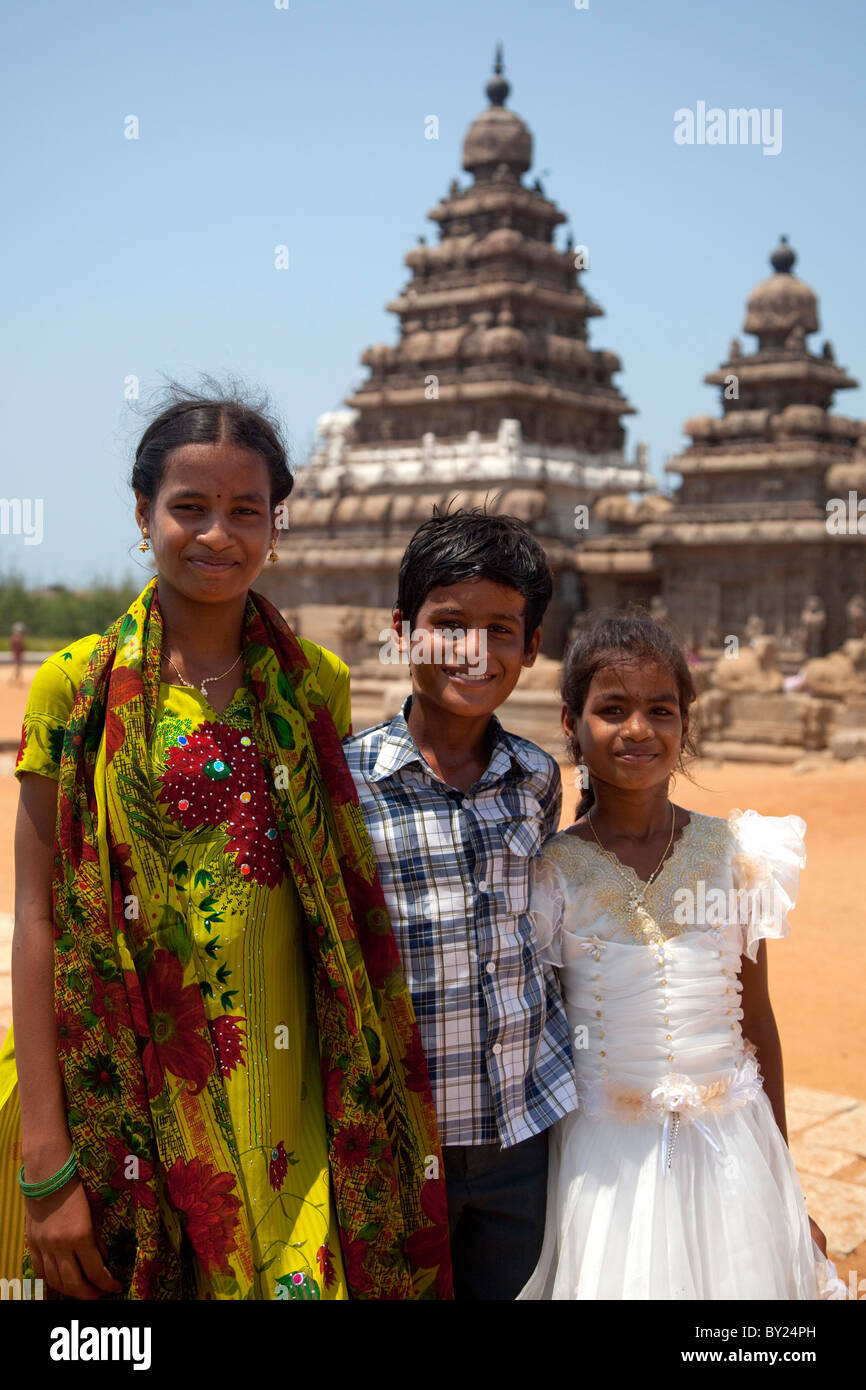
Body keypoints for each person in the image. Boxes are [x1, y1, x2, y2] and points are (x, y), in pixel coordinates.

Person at [0, 386, 451, 1301]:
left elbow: (330, 899)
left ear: (276, 525)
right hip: (126, 1089)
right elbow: (40, 916)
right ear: (142, 515)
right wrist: (47, 1159)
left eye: (246, 511)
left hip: (290, 1092)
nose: (218, 535)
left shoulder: (312, 683)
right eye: (190, 508)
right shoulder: (74, 689)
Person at [517, 612, 839, 1300]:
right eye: (613, 709)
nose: (639, 730)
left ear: (685, 726)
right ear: (572, 722)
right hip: (604, 1159)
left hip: (736, 1147)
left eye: (660, 710)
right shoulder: (549, 873)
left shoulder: (741, 856)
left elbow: (758, 1017)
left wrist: (784, 1178)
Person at [342, 508, 578, 1301]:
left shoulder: (536, 779)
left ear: (533, 647)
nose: (475, 651)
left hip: (522, 1142)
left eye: (502, 629)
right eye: (449, 623)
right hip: (399, 1144)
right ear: (403, 631)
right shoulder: (345, 787)